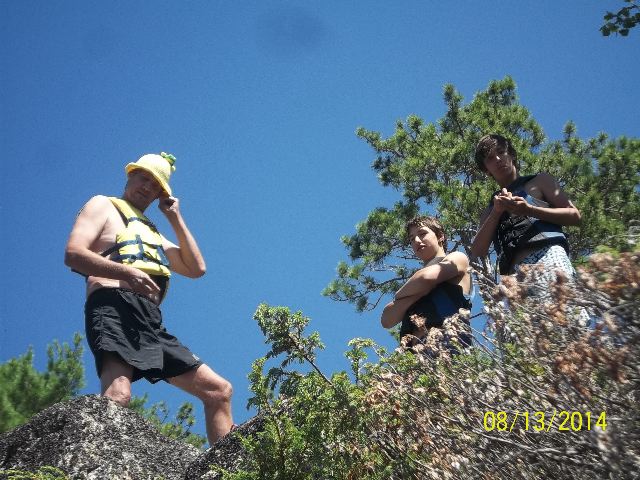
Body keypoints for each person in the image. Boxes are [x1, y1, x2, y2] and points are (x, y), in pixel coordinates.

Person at [65, 152, 234, 445]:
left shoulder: (151, 231)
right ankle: (99, 461)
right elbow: (74, 254)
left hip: (150, 319)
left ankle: (230, 467)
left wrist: (174, 217)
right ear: (130, 175)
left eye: (156, 186)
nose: (147, 187)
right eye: (144, 178)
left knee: (218, 391)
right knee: (118, 395)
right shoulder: (104, 205)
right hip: (113, 304)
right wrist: (126, 272)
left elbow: (196, 268)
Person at [470, 134, 582, 294]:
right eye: (490, 158)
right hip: (514, 277)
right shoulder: (491, 208)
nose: (498, 159)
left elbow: (575, 216)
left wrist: (529, 210)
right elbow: (477, 251)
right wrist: (496, 212)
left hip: (547, 256)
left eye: (501, 152)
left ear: (511, 154)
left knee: (561, 306)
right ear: (486, 170)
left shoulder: (539, 181)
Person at [381, 216, 473, 352]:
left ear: (440, 236)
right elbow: (387, 319)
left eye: (422, 233)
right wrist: (418, 293)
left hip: (448, 345)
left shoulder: (457, 258)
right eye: (412, 239)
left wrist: (401, 295)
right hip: (415, 356)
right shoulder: (414, 285)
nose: (417, 241)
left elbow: (425, 277)